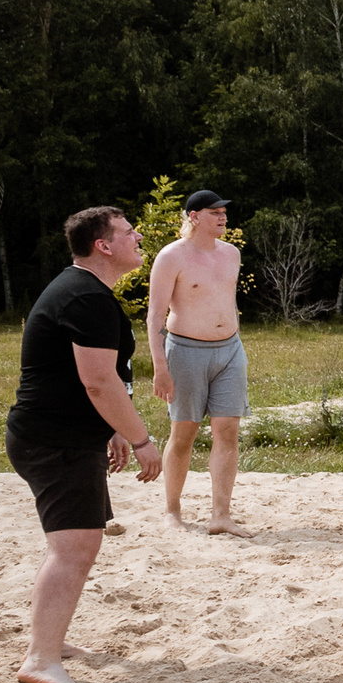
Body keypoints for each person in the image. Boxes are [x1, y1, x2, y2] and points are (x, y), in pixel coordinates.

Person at [8, 206, 162, 683]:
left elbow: (97, 377)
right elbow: (98, 381)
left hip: (63, 436)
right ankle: (41, 658)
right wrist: (140, 438)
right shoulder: (85, 296)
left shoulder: (86, 291)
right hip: (56, 441)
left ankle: (50, 640)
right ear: (104, 245)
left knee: (73, 546)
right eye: (128, 232)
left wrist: (112, 428)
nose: (138, 237)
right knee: (73, 548)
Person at [147, 188, 251, 535]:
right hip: (185, 351)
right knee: (184, 434)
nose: (223, 217)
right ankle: (172, 511)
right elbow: (155, 316)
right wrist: (160, 368)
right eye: (215, 213)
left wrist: (234, 342)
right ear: (194, 217)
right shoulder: (171, 256)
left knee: (228, 431)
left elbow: (225, 301)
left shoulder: (232, 253)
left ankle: (221, 515)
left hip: (230, 350)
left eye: (224, 212)